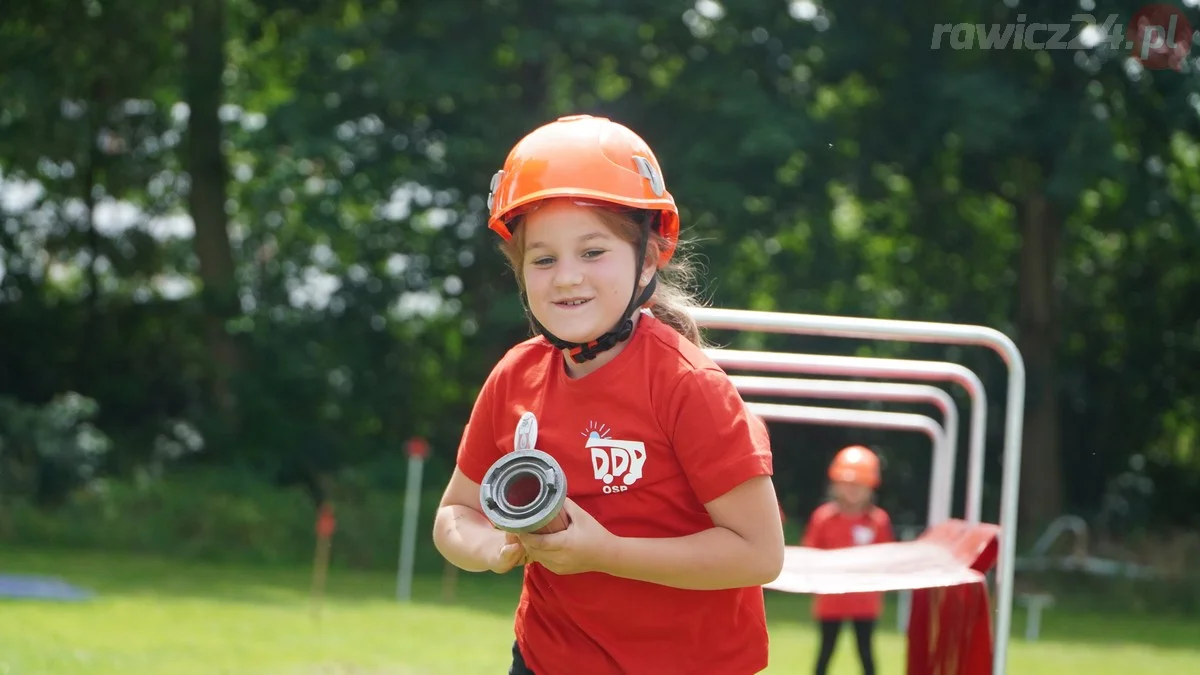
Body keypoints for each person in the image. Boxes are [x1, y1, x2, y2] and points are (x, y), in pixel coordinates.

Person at [431, 114, 785, 675]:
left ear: (648, 256)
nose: (566, 277)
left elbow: (760, 554)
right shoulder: (513, 377)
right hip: (547, 660)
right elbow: (455, 513)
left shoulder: (689, 386)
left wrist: (604, 553)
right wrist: (494, 549)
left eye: (592, 252)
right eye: (543, 259)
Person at [801, 445, 894, 675]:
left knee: (866, 653)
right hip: (830, 601)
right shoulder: (822, 518)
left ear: (870, 487)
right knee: (825, 652)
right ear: (836, 484)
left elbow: (887, 558)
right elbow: (809, 554)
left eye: (859, 485)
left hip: (864, 602)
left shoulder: (878, 521)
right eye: (847, 484)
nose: (852, 490)